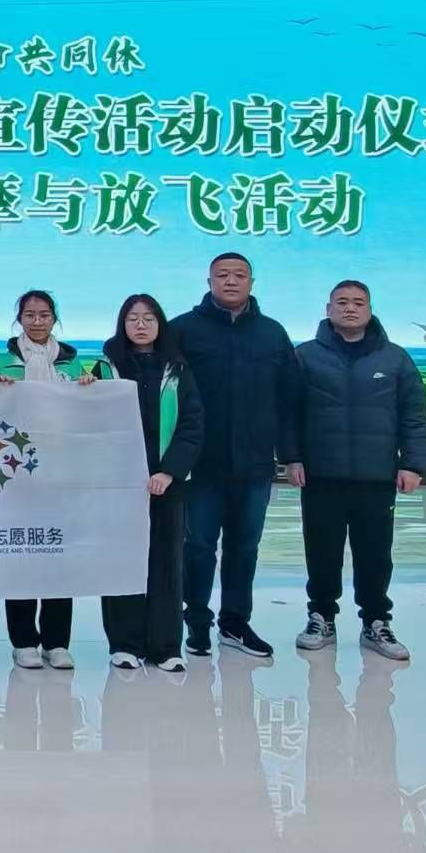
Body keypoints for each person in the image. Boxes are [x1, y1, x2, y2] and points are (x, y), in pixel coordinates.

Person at [171, 252, 302, 660]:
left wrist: (292, 455)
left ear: (252, 282)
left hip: (255, 464)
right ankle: (196, 623)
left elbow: (289, 400)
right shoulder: (183, 329)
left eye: (239, 275)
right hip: (199, 464)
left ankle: (235, 623)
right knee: (198, 546)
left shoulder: (272, 333)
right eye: (223, 275)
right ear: (209, 281)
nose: (231, 281)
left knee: (245, 547)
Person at [292, 280, 426, 660]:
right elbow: (287, 412)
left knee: (375, 554)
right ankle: (321, 616)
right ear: (328, 309)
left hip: (376, 476)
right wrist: (291, 457)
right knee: (321, 551)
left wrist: (413, 464)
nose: (350, 308)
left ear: (370, 310)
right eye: (342, 302)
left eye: (358, 302)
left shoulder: (395, 359)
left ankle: (376, 622)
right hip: (321, 475)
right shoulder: (305, 357)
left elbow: (415, 416)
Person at [86, 294, 204, 672]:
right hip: (118, 484)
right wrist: (82, 391)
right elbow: (86, 423)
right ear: (122, 324)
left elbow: (192, 425)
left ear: (160, 325)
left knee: (166, 563)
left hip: (166, 484)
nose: (141, 325)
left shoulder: (178, 370)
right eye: (133, 318)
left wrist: (169, 471)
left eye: (149, 318)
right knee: (120, 561)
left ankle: (166, 647)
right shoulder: (105, 369)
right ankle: (124, 644)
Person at [0, 289, 89, 671]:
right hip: (16, 476)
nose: (37, 321)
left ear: (54, 319)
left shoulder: (76, 365)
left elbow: (89, 416)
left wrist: (90, 392)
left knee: (59, 552)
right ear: (19, 319)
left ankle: (57, 642)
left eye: (44, 315)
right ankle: (24, 640)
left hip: (62, 473)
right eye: (30, 315)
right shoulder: (1, 364)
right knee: (20, 553)